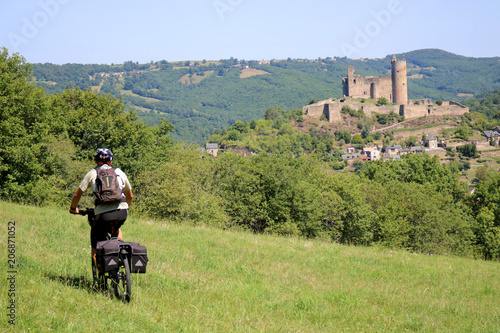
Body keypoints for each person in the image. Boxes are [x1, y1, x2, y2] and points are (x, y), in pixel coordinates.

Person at [69, 148, 133, 271]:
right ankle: (119, 250)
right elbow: (130, 195)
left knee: (96, 239)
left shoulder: (93, 173)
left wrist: (73, 208)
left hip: (103, 215)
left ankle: (100, 277)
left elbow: (78, 194)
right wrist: (126, 208)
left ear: (96, 161)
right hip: (122, 212)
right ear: (111, 161)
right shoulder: (119, 172)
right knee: (117, 228)